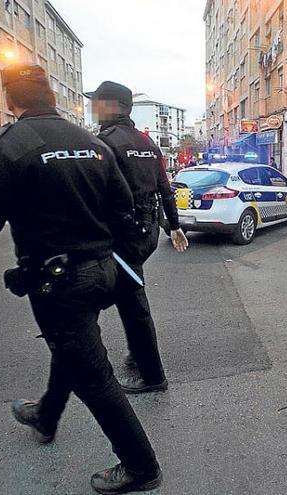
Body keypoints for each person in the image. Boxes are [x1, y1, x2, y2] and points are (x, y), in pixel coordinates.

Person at [0, 64, 162, 494]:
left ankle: (140, 466)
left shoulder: (8, 145)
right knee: (72, 346)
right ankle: (46, 415)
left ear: (10, 102)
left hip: (59, 283)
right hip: (101, 273)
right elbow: (123, 208)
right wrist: (118, 263)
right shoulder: (90, 143)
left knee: (93, 373)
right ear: (53, 98)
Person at [90, 81, 189, 394]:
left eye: (97, 101)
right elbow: (165, 189)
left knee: (133, 303)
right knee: (127, 295)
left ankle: (153, 376)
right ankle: (136, 354)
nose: (93, 106)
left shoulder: (104, 143)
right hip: (148, 233)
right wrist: (174, 226)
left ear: (111, 105)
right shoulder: (148, 144)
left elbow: (98, 193)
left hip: (121, 236)